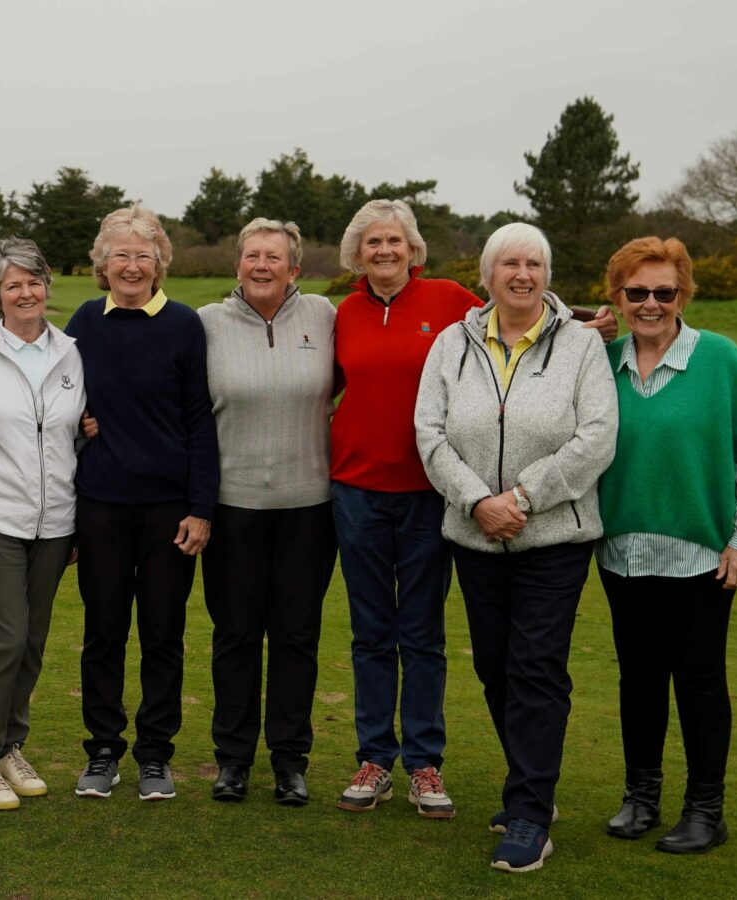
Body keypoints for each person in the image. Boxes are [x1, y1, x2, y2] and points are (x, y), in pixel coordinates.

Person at [329, 201, 616, 820]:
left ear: (415, 250)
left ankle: (425, 763)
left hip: (435, 497)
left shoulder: (448, 300)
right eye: (373, 242)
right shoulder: (342, 313)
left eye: (395, 241)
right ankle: (376, 755)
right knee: (372, 632)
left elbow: (521, 303)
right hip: (357, 488)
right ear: (359, 253)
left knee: (423, 633)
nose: (385, 251)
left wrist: (590, 325)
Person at [415, 222, 618, 873]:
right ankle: (532, 782)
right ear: (487, 274)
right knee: (496, 667)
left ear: (547, 274)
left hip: (554, 536)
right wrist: (478, 501)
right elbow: (430, 434)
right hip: (475, 535)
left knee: (535, 667)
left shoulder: (581, 347)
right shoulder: (453, 343)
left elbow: (597, 438)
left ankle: (531, 811)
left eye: (534, 263)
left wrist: (522, 499)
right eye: (510, 263)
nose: (522, 274)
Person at [595, 237, 737, 854]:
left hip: (701, 558)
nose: (650, 304)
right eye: (636, 292)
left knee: (699, 681)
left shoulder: (719, 358)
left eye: (664, 292)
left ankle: (706, 809)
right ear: (617, 297)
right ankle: (640, 797)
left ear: (683, 294)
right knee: (638, 679)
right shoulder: (603, 361)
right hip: (622, 554)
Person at [65, 205, 218, 802]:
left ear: (160, 265)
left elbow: (200, 420)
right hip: (101, 503)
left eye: (143, 255)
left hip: (168, 509)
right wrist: (80, 424)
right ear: (103, 264)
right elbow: (51, 396)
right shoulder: (83, 321)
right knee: (103, 632)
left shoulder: (183, 324)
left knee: (162, 634)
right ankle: (103, 749)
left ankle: (155, 754)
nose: (131, 265)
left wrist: (200, 508)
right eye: (120, 255)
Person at [197, 218, 338, 806]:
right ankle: (233, 760)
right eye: (251, 255)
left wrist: (585, 321)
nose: (261, 265)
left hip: (309, 507)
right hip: (233, 507)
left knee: (296, 637)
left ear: (294, 268)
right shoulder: (204, 324)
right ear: (238, 266)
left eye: (273, 257)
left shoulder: (327, 317)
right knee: (234, 635)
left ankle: (290, 760)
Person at [0, 238, 84, 810]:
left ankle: (10, 747)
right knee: (4, 639)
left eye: (34, 282)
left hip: (57, 522)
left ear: (47, 286)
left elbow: (79, 431)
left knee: (31, 641)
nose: (26, 293)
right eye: (13, 285)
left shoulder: (74, 351)